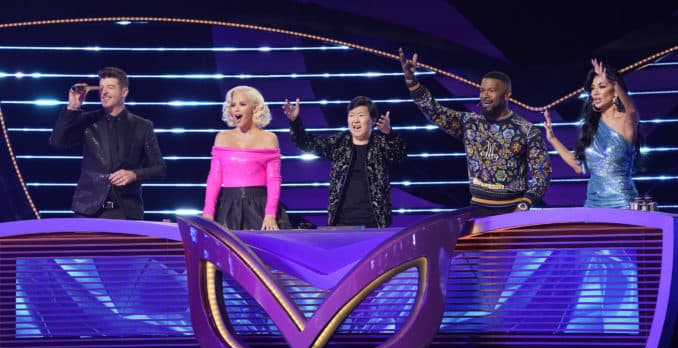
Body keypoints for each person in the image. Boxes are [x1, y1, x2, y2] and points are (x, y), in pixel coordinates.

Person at [398, 48, 551, 218]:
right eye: (482, 90)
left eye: (491, 91)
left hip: (513, 213)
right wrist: (412, 81)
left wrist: (523, 206)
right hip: (477, 211)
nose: (484, 95)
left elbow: (542, 173)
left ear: (507, 95)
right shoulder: (469, 123)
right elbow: (434, 111)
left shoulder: (526, 130)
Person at [50, 67, 165, 220]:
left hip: (125, 211)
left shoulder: (142, 126)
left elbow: (159, 169)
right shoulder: (88, 121)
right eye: (101, 88)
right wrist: (72, 107)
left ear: (124, 92)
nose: (104, 92)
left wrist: (134, 174)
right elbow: (57, 142)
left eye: (110, 87)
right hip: (88, 211)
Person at [282, 96, 406, 228]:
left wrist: (389, 134)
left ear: (373, 120)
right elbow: (307, 143)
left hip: (374, 223)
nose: (355, 120)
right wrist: (295, 121)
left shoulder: (380, 145)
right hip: (341, 222)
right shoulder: (340, 143)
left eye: (360, 115)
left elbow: (399, 154)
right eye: (351, 115)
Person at [543, 59, 639, 208]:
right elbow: (578, 166)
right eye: (593, 88)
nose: (595, 92)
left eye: (601, 86)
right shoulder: (592, 127)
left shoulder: (625, 121)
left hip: (622, 202)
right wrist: (552, 139)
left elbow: (631, 111)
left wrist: (613, 83)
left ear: (614, 92)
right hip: (593, 203)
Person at [203, 85, 291, 230]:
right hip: (227, 208)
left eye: (242, 104)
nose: (236, 109)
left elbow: (273, 179)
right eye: (233, 105)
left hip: (259, 207)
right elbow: (214, 178)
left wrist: (270, 214)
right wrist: (208, 212)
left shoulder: (268, 138)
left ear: (255, 108)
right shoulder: (221, 138)